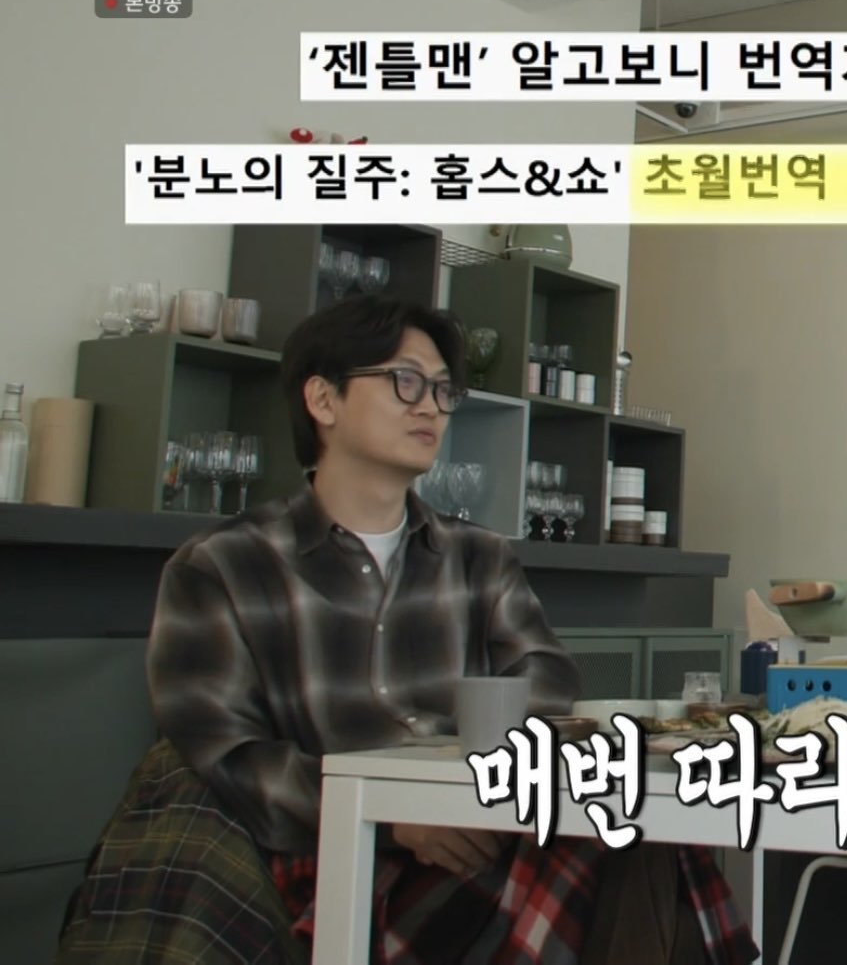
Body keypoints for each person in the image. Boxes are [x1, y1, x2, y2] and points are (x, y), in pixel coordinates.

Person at [59, 295, 755, 964]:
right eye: (405, 381)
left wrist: (453, 782)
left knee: (632, 826)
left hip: (477, 827)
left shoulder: (479, 557)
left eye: (444, 390)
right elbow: (224, 754)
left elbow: (547, 681)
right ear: (323, 399)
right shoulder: (223, 566)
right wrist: (390, 810)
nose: (431, 406)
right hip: (328, 853)